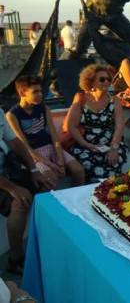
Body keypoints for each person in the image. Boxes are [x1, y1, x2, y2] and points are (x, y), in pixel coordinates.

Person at [0, 107, 54, 274]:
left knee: (46, 184)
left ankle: (45, 243)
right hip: (4, 178)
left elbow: (15, 142)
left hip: (8, 167)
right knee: (19, 203)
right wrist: (13, 188)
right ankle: (16, 258)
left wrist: (34, 170)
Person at [6, 76, 85, 186]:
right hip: (33, 154)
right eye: (35, 92)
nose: (40, 95)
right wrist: (50, 164)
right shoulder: (12, 115)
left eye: (41, 91)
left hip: (51, 147)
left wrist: (60, 160)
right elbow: (24, 146)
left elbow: (55, 137)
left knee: (78, 171)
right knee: (51, 178)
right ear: (23, 93)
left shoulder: (44, 108)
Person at [65, 64, 127, 182]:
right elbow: (71, 126)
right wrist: (86, 145)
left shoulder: (115, 100)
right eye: (102, 79)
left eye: (108, 79)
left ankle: (111, 193)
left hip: (110, 143)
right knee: (92, 165)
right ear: (91, 81)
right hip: (85, 144)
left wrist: (114, 148)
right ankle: (98, 193)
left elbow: (119, 126)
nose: (106, 82)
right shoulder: (81, 98)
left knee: (114, 161)